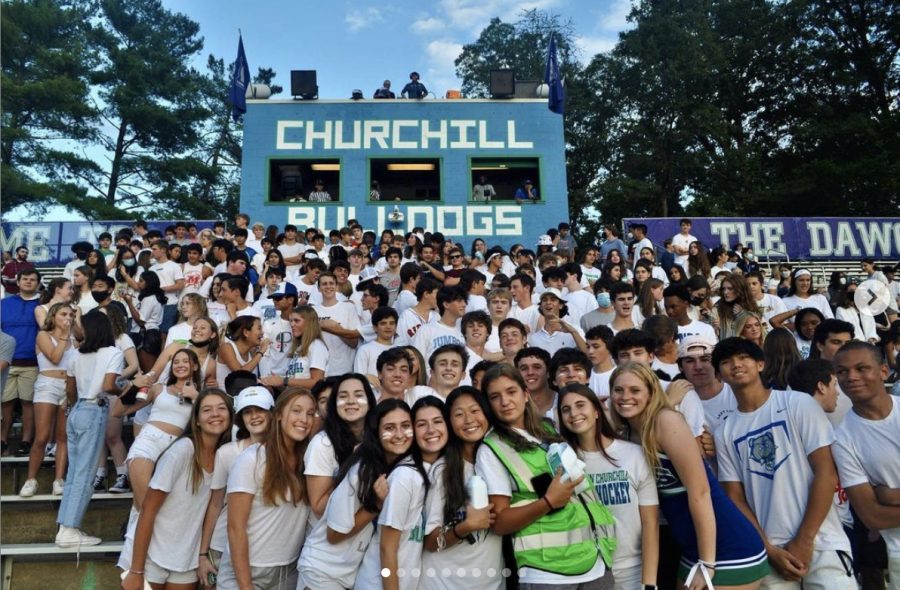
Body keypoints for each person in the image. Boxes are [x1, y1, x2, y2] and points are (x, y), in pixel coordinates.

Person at [609, 362, 769, 589]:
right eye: (618, 390)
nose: (625, 396)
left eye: (635, 390)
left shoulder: (666, 421)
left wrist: (707, 563)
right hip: (692, 547)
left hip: (728, 548)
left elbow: (701, 492)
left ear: (651, 393)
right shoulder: (630, 432)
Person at [713, 337, 854, 589]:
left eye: (743, 357)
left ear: (760, 364)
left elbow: (826, 472)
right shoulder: (724, 431)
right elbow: (735, 497)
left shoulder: (797, 403)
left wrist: (805, 538)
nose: (736, 364)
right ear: (719, 375)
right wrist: (766, 548)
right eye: (726, 361)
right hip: (771, 552)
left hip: (822, 540)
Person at [476, 363, 616, 588]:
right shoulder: (492, 449)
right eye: (495, 396)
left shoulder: (547, 430)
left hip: (596, 560)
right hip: (548, 573)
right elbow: (499, 523)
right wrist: (548, 502)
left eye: (511, 392)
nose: (505, 401)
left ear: (525, 394)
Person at [119, 389, 232, 590]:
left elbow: (211, 511)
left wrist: (203, 555)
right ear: (196, 420)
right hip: (150, 553)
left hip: (186, 555)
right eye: (207, 410)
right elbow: (148, 511)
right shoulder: (183, 450)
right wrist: (136, 570)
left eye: (221, 408)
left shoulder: (224, 456)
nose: (215, 414)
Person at [558, 383, 660, 589]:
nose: (574, 413)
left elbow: (651, 523)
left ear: (596, 411)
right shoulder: (561, 462)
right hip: (587, 572)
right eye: (565, 409)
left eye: (580, 405)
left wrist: (649, 583)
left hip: (632, 569)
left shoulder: (633, 454)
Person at [215, 388, 316, 589]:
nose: (304, 418)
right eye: (296, 410)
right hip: (247, 572)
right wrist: (246, 586)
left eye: (310, 413)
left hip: (288, 572)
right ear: (278, 415)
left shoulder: (309, 460)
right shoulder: (252, 459)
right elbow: (235, 528)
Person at [832, 342, 900, 590]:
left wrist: (892, 496)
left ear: (883, 371)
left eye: (862, 368)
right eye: (842, 371)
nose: (851, 377)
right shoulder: (841, 439)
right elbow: (872, 516)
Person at [421, 386, 502, 589]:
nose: (468, 420)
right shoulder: (443, 471)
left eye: (475, 411)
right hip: (443, 584)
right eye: (459, 414)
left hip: (491, 583)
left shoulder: (500, 462)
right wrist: (465, 526)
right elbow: (431, 542)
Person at [55, 310, 125, 548]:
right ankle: (69, 529)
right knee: (84, 475)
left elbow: (70, 389)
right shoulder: (113, 352)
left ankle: (65, 527)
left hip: (76, 411)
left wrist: (75, 409)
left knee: (74, 473)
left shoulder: (75, 354)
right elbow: (108, 386)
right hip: (94, 408)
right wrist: (126, 388)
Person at [198, 386, 275, 586]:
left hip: (264, 551)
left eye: (260, 410)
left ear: (272, 413)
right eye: (248, 412)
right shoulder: (227, 452)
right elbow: (215, 504)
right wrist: (203, 553)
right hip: (222, 545)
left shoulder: (287, 453)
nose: (254, 417)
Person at [117, 348, 202, 510]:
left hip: (177, 448)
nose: (180, 365)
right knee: (145, 505)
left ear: (196, 366)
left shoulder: (202, 396)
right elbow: (118, 411)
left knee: (164, 507)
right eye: (176, 362)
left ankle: (134, 532)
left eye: (185, 361)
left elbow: (208, 424)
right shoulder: (158, 388)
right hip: (148, 441)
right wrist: (134, 386)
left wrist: (196, 397)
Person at [18, 302, 77, 497]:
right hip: (47, 385)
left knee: (63, 436)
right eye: (63, 314)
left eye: (70, 314)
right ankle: (31, 479)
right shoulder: (44, 335)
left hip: (67, 386)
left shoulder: (73, 338)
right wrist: (63, 337)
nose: (67, 317)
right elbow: (54, 357)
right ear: (53, 316)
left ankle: (59, 479)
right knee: (42, 436)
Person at [305, 374, 377, 520]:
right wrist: (352, 469)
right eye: (343, 396)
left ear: (370, 401)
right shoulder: (322, 444)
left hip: (362, 536)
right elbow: (318, 507)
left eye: (358, 395)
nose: (351, 401)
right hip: (327, 537)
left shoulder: (376, 438)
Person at [1, 268, 41, 456]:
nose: (28, 282)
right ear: (17, 282)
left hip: (31, 363)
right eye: (24, 279)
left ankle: (26, 441)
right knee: (6, 403)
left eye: (32, 280)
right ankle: (3, 439)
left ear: (38, 283)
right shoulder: (4, 304)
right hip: (6, 362)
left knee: (27, 403)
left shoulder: (43, 305)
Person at [216, 316, 267, 388]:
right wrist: (261, 352)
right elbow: (241, 375)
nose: (262, 332)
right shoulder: (226, 347)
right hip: (226, 398)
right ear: (246, 332)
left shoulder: (252, 352)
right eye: (259, 328)